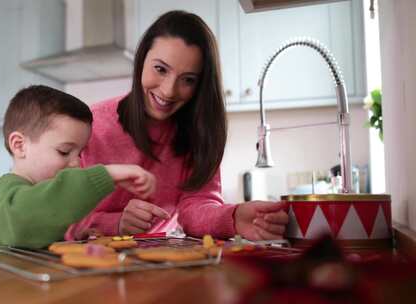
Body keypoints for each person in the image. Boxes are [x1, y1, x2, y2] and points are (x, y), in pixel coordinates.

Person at [65, 11, 288, 241]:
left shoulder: (198, 133)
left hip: (153, 264)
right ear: (142, 60)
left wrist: (232, 218)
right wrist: (116, 223)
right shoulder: (89, 126)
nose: (169, 91)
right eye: (160, 69)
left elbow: (196, 207)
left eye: (188, 80)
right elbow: (54, 215)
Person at [0, 85, 156, 249]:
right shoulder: (5, 191)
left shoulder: (42, 198)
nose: (77, 163)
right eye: (64, 151)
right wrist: (106, 174)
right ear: (19, 145)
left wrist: (74, 235)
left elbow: (43, 225)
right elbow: (24, 224)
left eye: (79, 153)